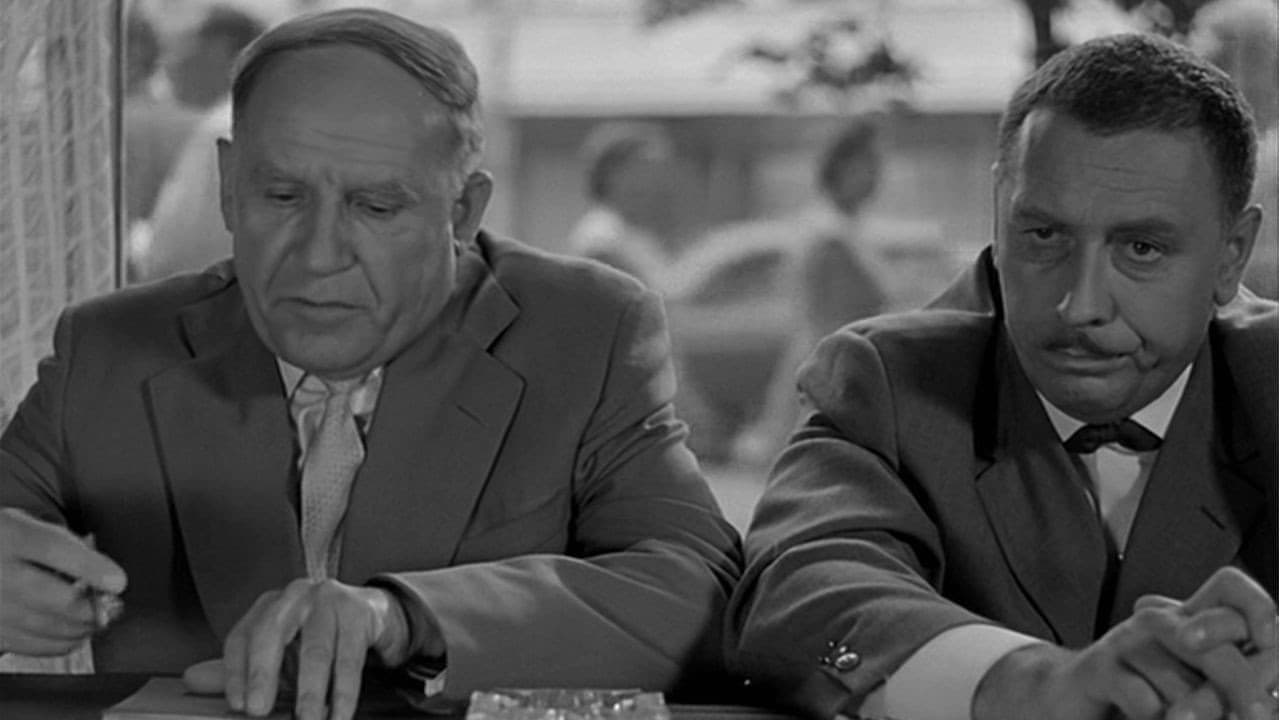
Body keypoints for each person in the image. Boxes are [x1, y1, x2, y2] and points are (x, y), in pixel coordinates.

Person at [0, 8, 741, 720]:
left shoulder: (581, 331)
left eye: (376, 208)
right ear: (227, 185)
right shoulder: (112, 350)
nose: (319, 255)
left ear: (463, 212)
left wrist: (404, 617)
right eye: (281, 196)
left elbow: (698, 594)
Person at [727, 33, 1277, 720]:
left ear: (1232, 255)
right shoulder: (888, 382)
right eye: (1043, 236)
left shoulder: (1268, 374)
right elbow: (802, 592)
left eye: (1142, 248)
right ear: (999, 211)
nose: (1081, 306)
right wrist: (1028, 684)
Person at [139, 5, 266, 281]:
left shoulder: (225, 128)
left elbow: (177, 255)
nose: (169, 63)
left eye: (182, 46)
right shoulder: (249, 117)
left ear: (219, 50)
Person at [567, 121, 688, 287]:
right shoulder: (601, 236)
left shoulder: (638, 233)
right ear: (613, 173)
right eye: (645, 168)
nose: (657, 179)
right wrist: (718, 254)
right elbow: (658, 296)